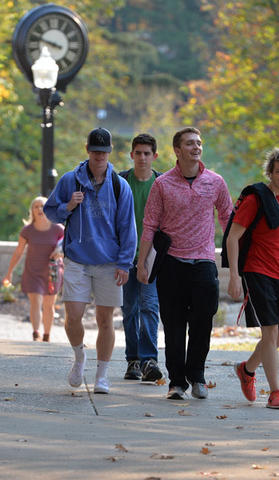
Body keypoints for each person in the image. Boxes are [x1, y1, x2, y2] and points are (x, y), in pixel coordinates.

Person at [136, 127, 233, 401]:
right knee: (174, 326)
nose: (196, 147)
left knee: (203, 322)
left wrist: (237, 255)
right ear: (177, 151)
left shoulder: (215, 182)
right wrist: (142, 264)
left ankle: (197, 376)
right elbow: (149, 226)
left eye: (199, 143)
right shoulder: (162, 184)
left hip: (203, 262)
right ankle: (176, 382)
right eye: (190, 143)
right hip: (171, 265)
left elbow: (228, 219)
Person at [44, 127, 137, 394]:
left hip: (109, 262)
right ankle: (79, 357)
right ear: (88, 150)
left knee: (105, 320)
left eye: (104, 151)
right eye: (95, 151)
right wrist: (68, 207)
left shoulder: (120, 186)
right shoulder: (70, 180)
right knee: (73, 317)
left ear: (110, 152)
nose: (99, 156)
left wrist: (124, 263)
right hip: (77, 259)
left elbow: (128, 228)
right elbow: (50, 212)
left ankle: (102, 376)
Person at [226, 148, 279, 410]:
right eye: (278, 171)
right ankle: (276, 392)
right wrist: (235, 276)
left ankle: (246, 370)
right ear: (270, 172)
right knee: (269, 333)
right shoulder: (255, 198)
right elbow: (233, 237)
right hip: (258, 272)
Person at [119, 134, 163, 382]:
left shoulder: (162, 182)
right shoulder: (121, 181)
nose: (142, 157)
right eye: (138, 153)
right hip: (125, 256)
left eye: (147, 153)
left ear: (154, 156)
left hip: (152, 258)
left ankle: (149, 360)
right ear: (132, 155)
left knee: (149, 307)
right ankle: (132, 360)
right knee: (129, 310)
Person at [2, 196, 64, 342]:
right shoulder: (27, 230)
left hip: (52, 272)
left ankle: (47, 336)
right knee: (36, 301)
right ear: (32, 211)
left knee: (48, 305)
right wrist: (9, 272)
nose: (39, 209)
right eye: (36, 207)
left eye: (42, 206)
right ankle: (36, 333)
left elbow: (68, 248)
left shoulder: (58, 228)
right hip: (33, 271)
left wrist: (60, 253)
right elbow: (18, 252)